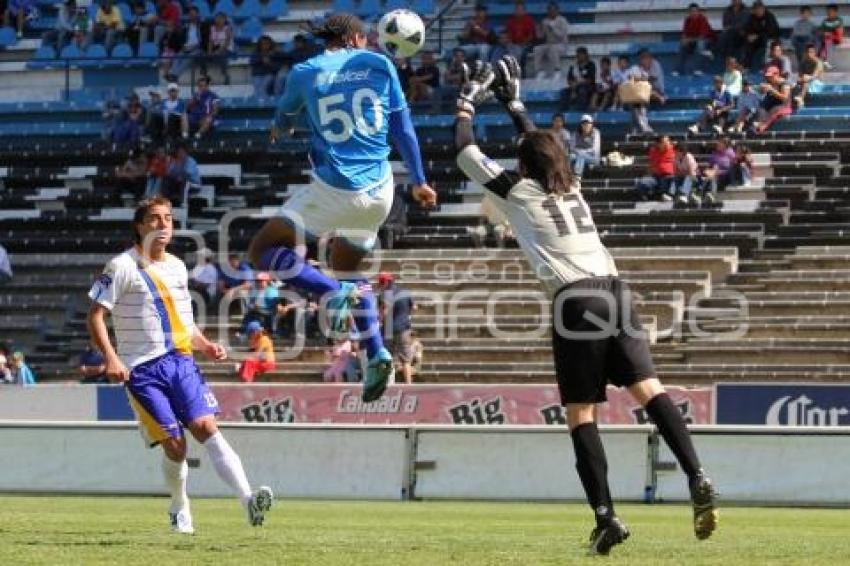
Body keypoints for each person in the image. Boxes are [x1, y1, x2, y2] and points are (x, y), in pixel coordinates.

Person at [453, 56, 718, 554]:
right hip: (617, 290)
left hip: (576, 300)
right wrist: (515, 105)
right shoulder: (572, 185)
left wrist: (466, 102)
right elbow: (541, 146)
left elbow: (466, 152)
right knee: (649, 389)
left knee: (581, 414)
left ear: (525, 165)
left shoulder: (519, 191)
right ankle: (697, 473)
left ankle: (605, 516)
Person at [253, 13, 437, 403]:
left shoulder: (305, 72)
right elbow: (403, 130)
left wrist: (280, 128)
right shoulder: (380, 63)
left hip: (335, 189)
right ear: (356, 38)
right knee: (349, 268)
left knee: (262, 251)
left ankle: (330, 292)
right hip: (381, 193)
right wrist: (419, 180)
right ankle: (376, 353)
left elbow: (283, 121)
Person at [87, 196, 273, 534]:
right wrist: (111, 358)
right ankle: (179, 504)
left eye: (168, 219)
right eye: (155, 219)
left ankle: (249, 501)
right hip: (141, 370)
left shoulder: (175, 265)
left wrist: (204, 344)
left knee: (206, 427)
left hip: (180, 361)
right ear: (139, 226)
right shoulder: (120, 266)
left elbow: (183, 320)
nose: (163, 225)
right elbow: (95, 316)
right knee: (176, 446)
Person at [376, 272, 416, 385]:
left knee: (388, 358)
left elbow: (384, 310)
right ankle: (409, 385)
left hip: (388, 330)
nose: (380, 286)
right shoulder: (404, 292)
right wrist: (406, 315)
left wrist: (379, 321)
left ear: (386, 282)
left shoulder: (384, 294)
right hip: (403, 328)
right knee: (406, 360)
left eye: (381, 283)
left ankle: (388, 384)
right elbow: (414, 307)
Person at [674, 3, 714, 77]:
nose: (693, 13)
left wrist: (689, 40)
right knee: (682, 45)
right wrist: (684, 39)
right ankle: (677, 70)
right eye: (691, 11)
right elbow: (684, 34)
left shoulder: (703, 19)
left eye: (695, 11)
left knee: (700, 44)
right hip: (693, 41)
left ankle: (698, 69)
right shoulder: (687, 20)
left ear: (699, 12)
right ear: (689, 13)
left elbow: (702, 37)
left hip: (708, 41)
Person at [168, 5, 205, 81]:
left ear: (197, 14)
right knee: (177, 56)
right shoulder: (186, 26)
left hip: (197, 48)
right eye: (190, 14)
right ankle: (172, 74)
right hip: (186, 47)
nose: (192, 16)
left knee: (187, 58)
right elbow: (182, 39)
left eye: (194, 14)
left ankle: (175, 75)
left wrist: (194, 47)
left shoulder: (202, 25)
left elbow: (203, 41)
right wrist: (183, 46)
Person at [533, 2, 569, 79]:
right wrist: (538, 29)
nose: (551, 12)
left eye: (553, 10)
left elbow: (561, 36)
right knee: (537, 49)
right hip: (548, 44)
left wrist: (553, 28)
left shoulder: (562, 20)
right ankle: (540, 71)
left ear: (557, 10)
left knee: (553, 48)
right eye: (550, 10)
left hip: (561, 45)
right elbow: (541, 36)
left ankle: (557, 70)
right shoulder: (545, 21)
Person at [753, 65, 792, 134]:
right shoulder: (768, 82)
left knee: (774, 110)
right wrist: (761, 89)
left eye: (771, 76)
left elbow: (784, 98)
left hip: (782, 105)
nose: (769, 78)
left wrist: (772, 90)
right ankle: (759, 124)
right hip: (770, 104)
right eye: (768, 77)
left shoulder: (784, 84)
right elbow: (761, 93)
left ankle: (762, 127)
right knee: (761, 108)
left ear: (777, 75)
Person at [635, 135, 675, 201]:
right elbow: (651, 165)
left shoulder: (674, 149)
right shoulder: (653, 151)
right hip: (656, 177)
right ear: (659, 144)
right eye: (665, 142)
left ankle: (667, 195)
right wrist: (650, 173)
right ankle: (645, 198)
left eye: (668, 141)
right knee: (641, 183)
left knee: (670, 180)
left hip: (669, 176)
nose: (668, 143)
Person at [741, 1, 779, 70]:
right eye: (756, 9)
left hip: (770, 38)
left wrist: (757, 35)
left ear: (763, 9)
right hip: (757, 39)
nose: (758, 11)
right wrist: (748, 36)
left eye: (760, 9)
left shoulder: (769, 16)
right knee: (747, 43)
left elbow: (771, 31)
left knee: (767, 42)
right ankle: (746, 66)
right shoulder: (752, 17)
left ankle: (765, 66)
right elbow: (745, 28)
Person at [703, 137, 736, 203]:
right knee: (706, 178)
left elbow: (732, 169)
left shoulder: (731, 153)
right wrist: (709, 170)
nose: (717, 145)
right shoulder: (714, 154)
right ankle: (703, 196)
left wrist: (719, 171)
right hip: (714, 175)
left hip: (725, 177)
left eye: (720, 144)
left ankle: (712, 195)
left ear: (725, 145)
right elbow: (710, 166)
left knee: (713, 178)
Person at [505, 1, 535, 70]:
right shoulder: (511, 21)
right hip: (513, 44)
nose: (519, 11)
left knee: (518, 51)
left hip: (525, 44)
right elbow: (508, 35)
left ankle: (517, 71)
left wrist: (523, 43)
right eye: (517, 10)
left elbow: (531, 36)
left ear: (524, 11)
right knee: (510, 50)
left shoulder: (529, 20)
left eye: (521, 10)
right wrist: (510, 43)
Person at [187, 75, 219, 139]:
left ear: (207, 86)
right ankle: (184, 135)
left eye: (202, 86)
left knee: (208, 119)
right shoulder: (196, 95)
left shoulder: (213, 96)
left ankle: (198, 135)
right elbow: (188, 108)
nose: (201, 88)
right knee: (183, 116)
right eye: (199, 86)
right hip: (194, 117)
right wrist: (195, 99)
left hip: (205, 118)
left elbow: (215, 111)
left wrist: (209, 115)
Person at [564, 47, 596, 111]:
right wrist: (573, 86)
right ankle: (565, 111)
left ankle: (582, 110)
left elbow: (590, 79)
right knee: (563, 92)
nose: (580, 56)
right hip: (574, 86)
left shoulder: (591, 65)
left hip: (587, 86)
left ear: (586, 55)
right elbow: (569, 79)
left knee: (582, 90)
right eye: (578, 54)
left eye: (581, 54)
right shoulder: (573, 66)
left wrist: (578, 83)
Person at [571, 114, 601, 179]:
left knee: (581, 156)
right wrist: (579, 152)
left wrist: (582, 152)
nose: (586, 125)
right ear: (581, 125)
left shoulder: (596, 133)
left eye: (588, 123)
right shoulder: (575, 133)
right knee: (570, 157)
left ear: (591, 125)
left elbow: (595, 149)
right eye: (584, 123)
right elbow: (572, 148)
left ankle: (577, 177)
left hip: (593, 158)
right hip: (578, 155)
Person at [207, 12, 234, 84]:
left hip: (226, 49)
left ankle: (226, 76)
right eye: (217, 18)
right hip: (216, 48)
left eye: (221, 18)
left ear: (224, 20)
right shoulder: (212, 28)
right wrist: (209, 51)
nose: (219, 20)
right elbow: (211, 41)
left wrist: (219, 51)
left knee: (221, 56)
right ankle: (206, 77)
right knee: (205, 56)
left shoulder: (227, 28)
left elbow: (227, 42)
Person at [796, 43, 824, 108]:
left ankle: (801, 98)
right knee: (796, 85)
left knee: (805, 82)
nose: (809, 54)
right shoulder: (803, 62)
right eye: (807, 52)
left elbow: (814, 76)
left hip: (817, 84)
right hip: (805, 82)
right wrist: (802, 79)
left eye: (811, 52)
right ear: (805, 53)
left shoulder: (818, 62)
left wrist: (806, 78)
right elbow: (799, 77)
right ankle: (799, 101)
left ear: (814, 53)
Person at [818, 3, 844, 68]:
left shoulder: (839, 20)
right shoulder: (825, 21)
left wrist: (829, 33)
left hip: (836, 39)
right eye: (827, 11)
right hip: (827, 39)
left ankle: (826, 61)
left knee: (827, 42)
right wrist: (824, 33)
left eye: (831, 11)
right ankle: (819, 60)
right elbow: (821, 31)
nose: (829, 13)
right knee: (821, 42)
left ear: (836, 12)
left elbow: (838, 31)